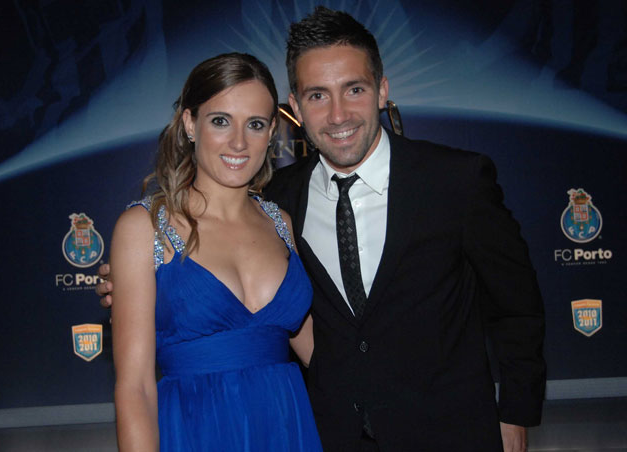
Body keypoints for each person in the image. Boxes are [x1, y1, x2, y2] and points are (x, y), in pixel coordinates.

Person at [100, 7, 546, 452]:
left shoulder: (455, 181)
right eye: (317, 95)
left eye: (354, 89)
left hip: (444, 432)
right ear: (295, 109)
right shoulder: (284, 198)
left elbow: (517, 305)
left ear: (382, 90)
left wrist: (516, 412)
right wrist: (136, 280)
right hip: (319, 434)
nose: (338, 114)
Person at [110, 52, 322, 451]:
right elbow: (135, 388)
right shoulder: (144, 227)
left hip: (286, 429)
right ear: (190, 123)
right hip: (196, 432)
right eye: (221, 121)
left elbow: (320, 355)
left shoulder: (281, 222)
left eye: (255, 124)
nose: (239, 142)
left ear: (271, 132)